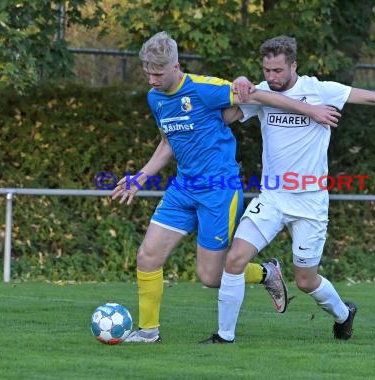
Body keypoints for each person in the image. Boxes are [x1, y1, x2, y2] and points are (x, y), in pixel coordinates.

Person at [201, 35, 375, 343]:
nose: (271, 77)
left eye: (278, 70)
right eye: (266, 70)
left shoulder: (320, 91)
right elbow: (227, 116)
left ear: (294, 65)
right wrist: (237, 85)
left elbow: (373, 97)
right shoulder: (262, 92)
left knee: (305, 281)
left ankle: (344, 314)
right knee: (235, 259)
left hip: (310, 203)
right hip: (273, 197)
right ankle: (224, 337)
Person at [111, 31, 341, 343]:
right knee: (147, 256)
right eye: (147, 73)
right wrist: (140, 177)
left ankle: (265, 273)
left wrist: (310, 110)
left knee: (210, 276)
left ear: (175, 66)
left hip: (218, 189)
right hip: (183, 189)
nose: (151, 80)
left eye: (158, 74)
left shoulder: (205, 89)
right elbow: (168, 142)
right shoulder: (156, 98)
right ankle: (148, 331)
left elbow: (257, 95)